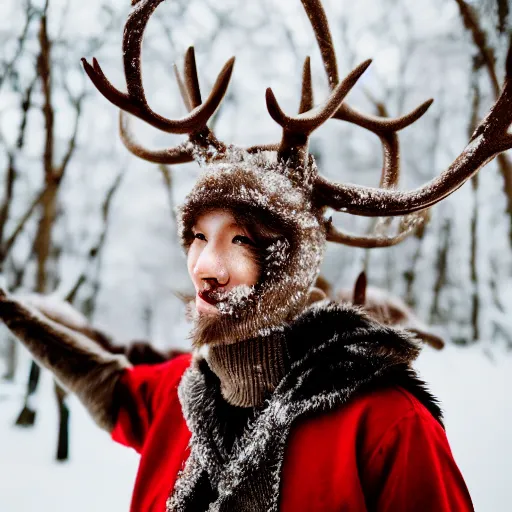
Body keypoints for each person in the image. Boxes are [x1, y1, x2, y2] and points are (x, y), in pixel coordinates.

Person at [4, 0, 511, 508]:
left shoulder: (385, 424)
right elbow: (105, 383)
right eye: (198, 237)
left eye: (241, 240)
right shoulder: (180, 394)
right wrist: (11, 309)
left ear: (289, 266)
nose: (205, 268)